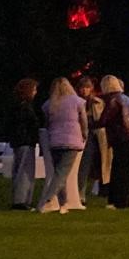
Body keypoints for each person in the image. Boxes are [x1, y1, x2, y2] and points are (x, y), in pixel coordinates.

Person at [38, 77, 88, 213]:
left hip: (54, 141)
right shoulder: (77, 101)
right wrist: (85, 134)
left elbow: (47, 123)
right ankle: (47, 200)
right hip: (72, 141)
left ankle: (63, 204)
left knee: (60, 173)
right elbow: (83, 120)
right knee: (61, 173)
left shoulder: (49, 104)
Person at [98, 75, 129, 208]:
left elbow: (103, 120)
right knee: (124, 169)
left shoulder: (113, 100)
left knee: (120, 170)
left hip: (122, 137)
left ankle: (120, 201)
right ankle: (121, 200)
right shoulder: (126, 98)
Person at [6, 78, 41, 210]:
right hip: (25, 141)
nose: (35, 92)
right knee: (25, 171)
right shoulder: (25, 107)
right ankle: (21, 201)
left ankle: (20, 199)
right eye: (34, 89)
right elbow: (32, 123)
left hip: (18, 141)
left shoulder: (16, 105)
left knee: (19, 169)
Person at [75, 76, 104, 204]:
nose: (85, 90)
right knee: (80, 166)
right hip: (78, 135)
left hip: (92, 136)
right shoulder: (75, 102)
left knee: (87, 166)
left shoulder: (96, 102)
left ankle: (82, 194)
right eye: (82, 87)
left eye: (87, 87)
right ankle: (78, 193)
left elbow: (99, 120)